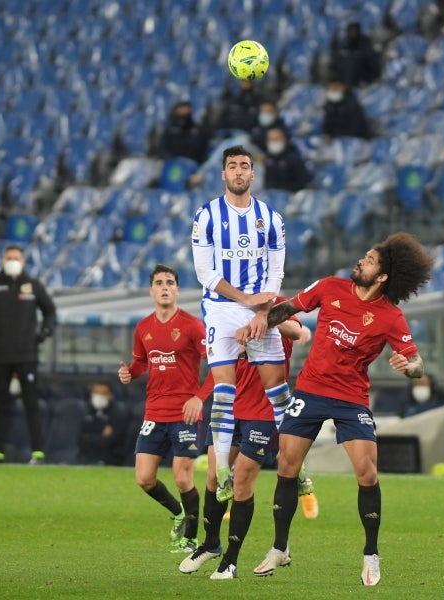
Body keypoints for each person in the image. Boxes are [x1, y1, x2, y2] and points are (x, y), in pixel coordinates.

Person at [246, 232, 434, 586]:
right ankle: (279, 547)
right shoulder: (330, 287)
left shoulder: (391, 317)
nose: (361, 260)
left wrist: (409, 367)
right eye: (365, 255)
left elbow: (417, 363)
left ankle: (371, 555)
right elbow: (291, 308)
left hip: (352, 398)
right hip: (312, 389)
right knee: (287, 464)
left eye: (370, 260)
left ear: (382, 278)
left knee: (367, 473)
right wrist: (259, 322)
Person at [179, 304, 315, 580]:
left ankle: (230, 560)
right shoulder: (225, 305)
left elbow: (302, 332)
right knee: (214, 480)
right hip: (229, 410)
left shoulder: (277, 302)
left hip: (263, 414)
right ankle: (211, 544)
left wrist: (264, 320)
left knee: (241, 481)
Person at [191, 145, 289, 502]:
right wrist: (245, 299)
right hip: (221, 307)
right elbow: (205, 273)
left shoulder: (271, 218)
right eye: (231, 166)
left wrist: (263, 310)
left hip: (257, 308)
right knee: (224, 389)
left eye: (244, 166)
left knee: (278, 389)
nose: (238, 172)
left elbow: (276, 270)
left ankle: (296, 467)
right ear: (223, 174)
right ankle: (220, 471)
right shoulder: (207, 216)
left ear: (252, 174)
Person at [118, 264, 213, 553]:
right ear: (151, 290)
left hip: (185, 412)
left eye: (169, 282)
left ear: (177, 290)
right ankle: (178, 513)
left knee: (183, 477)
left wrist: (199, 398)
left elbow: (215, 365)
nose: (164, 287)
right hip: (154, 412)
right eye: (159, 282)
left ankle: (192, 539)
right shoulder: (143, 327)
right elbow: (141, 363)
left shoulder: (192, 326)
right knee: (144, 478)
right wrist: (129, 373)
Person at [0, 244, 56, 465]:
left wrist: (45, 332)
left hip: (27, 355)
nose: (12, 261)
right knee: (1, 403)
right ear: (2, 260)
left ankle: (38, 452)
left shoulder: (32, 286)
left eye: (16, 257)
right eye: (9, 257)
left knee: (32, 403)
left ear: (24, 261)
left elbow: (50, 310)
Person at [77, 381, 128, 466]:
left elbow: (110, 442)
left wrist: (90, 437)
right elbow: (81, 440)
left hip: (111, 460)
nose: (99, 396)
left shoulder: (118, 413)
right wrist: (101, 437)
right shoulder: (86, 411)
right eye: (96, 392)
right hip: (87, 459)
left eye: (103, 393)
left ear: (110, 395)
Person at [330, 21, 381, 87]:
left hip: (365, 76)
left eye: (353, 31)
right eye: (349, 31)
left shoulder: (365, 42)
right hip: (351, 79)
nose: (351, 33)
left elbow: (369, 58)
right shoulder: (348, 43)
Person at [263, 127, 313, 192]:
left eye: (276, 139)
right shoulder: (268, 159)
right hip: (274, 196)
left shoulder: (294, 158)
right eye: (271, 140)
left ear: (284, 140)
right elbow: (267, 181)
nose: (273, 142)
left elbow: (302, 182)